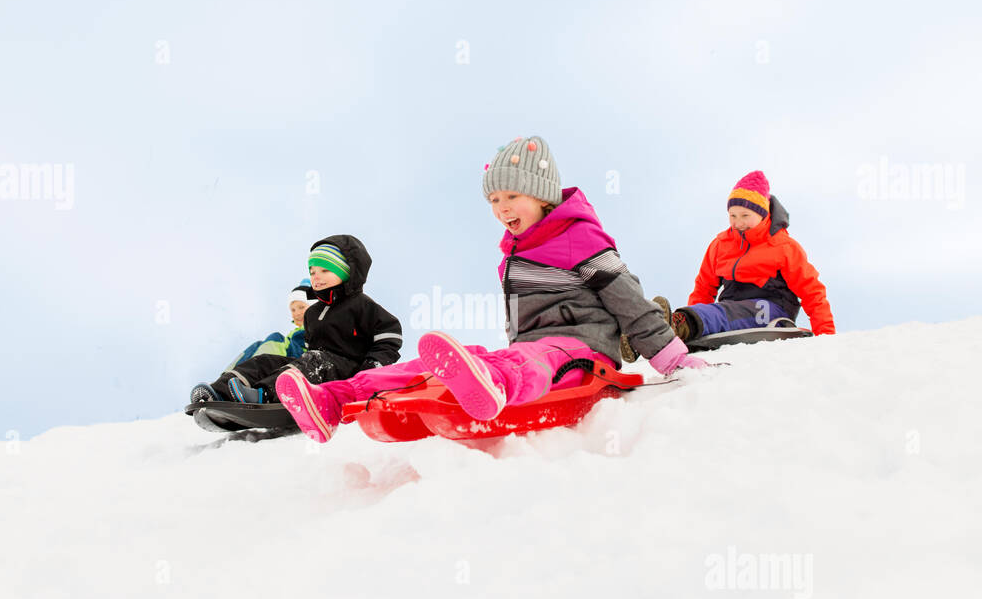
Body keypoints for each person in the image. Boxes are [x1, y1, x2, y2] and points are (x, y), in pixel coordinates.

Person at [274, 135, 707, 443]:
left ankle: (494, 384)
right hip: (529, 352)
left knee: (529, 360)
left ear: (542, 196)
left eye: (511, 197)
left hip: (583, 353)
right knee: (452, 363)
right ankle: (333, 398)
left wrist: (673, 358)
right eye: (494, 201)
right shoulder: (516, 252)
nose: (501, 209)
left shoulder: (583, 237)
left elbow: (628, 299)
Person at [189, 237, 403, 404]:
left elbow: (390, 335)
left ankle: (265, 395)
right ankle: (219, 392)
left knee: (314, 361)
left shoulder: (360, 304)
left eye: (324, 270)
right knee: (267, 360)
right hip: (315, 366)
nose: (315, 277)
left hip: (348, 370)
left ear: (346, 272)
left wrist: (371, 366)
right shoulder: (313, 313)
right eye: (312, 272)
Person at [664, 170, 835, 343]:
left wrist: (825, 335)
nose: (737, 223)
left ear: (763, 214)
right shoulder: (721, 244)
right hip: (730, 309)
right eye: (733, 216)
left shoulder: (783, 247)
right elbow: (704, 287)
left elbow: (812, 291)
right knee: (724, 311)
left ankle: (682, 324)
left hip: (772, 310)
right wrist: (693, 315)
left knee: (728, 313)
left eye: (745, 216)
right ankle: (663, 328)